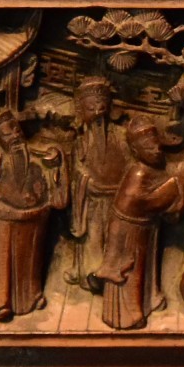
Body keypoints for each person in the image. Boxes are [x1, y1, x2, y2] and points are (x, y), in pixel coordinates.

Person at [0, 104, 66, 321]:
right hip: (1, 222)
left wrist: (56, 166)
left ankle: (29, 299)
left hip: (32, 219)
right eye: (8, 134)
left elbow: (53, 168)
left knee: (28, 264)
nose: (16, 136)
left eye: (17, 130)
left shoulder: (36, 153)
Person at [94, 118, 184, 330]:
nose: (156, 151)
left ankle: (148, 301)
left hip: (144, 228)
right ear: (136, 151)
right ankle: (126, 316)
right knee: (130, 273)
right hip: (128, 233)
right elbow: (146, 202)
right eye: (149, 148)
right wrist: (178, 181)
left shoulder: (152, 169)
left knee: (144, 269)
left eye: (157, 145)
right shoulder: (138, 173)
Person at [62, 78, 128, 287]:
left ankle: (115, 273)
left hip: (117, 197)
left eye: (102, 107)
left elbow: (130, 163)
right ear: (83, 110)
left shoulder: (121, 135)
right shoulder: (81, 141)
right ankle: (91, 274)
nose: (98, 112)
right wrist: (86, 183)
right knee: (93, 237)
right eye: (91, 108)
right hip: (91, 199)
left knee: (115, 238)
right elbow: (77, 170)